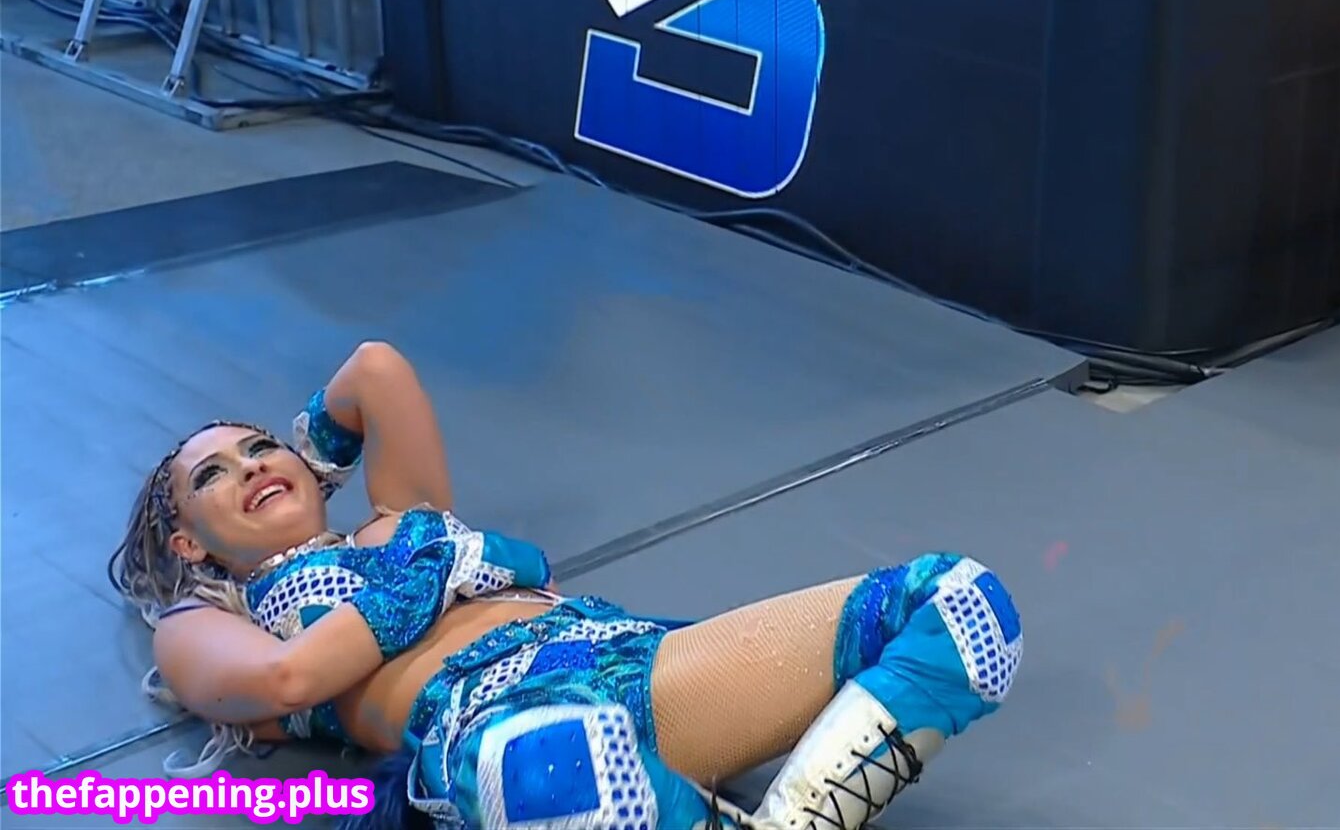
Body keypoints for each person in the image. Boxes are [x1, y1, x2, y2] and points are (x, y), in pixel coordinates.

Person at [108, 340, 1023, 829]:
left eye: (258, 447)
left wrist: (307, 460)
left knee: (959, 603)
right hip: (493, 725)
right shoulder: (205, 619)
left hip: (621, 658)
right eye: (214, 475)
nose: (249, 465)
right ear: (187, 542)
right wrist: (433, 569)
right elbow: (288, 680)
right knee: (549, 763)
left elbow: (374, 370)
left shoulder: (394, 518)